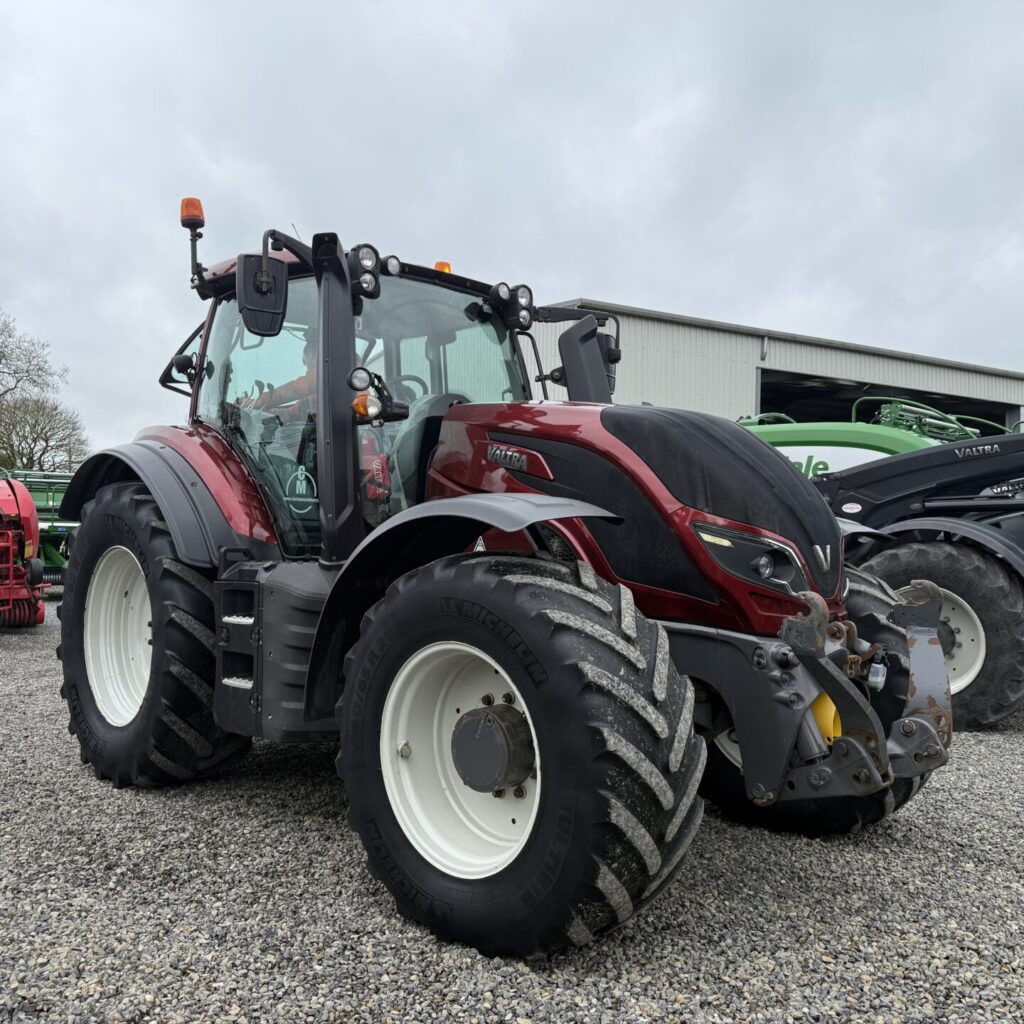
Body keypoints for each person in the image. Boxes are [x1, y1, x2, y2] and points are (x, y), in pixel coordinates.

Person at [254, 330, 317, 422]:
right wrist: (263, 414)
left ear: (311, 352)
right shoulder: (312, 398)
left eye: (304, 360)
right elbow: (290, 414)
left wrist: (258, 402)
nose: (304, 364)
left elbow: (295, 389)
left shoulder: (319, 379)